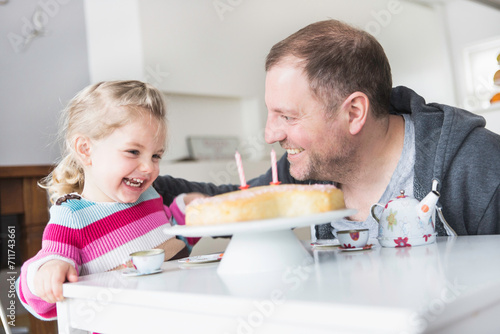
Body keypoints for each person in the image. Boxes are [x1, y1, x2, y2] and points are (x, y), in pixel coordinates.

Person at [153, 19, 500, 239]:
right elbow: (238, 202)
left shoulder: (481, 169)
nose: (270, 134)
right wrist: (139, 177)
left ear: (354, 112)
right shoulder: (311, 172)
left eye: (287, 116)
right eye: (270, 114)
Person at [17, 80, 192, 321]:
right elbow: (35, 290)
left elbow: (175, 248)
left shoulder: (150, 196)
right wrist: (46, 271)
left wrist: (186, 212)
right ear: (85, 149)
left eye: (156, 156)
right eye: (133, 152)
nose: (148, 167)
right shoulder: (72, 215)